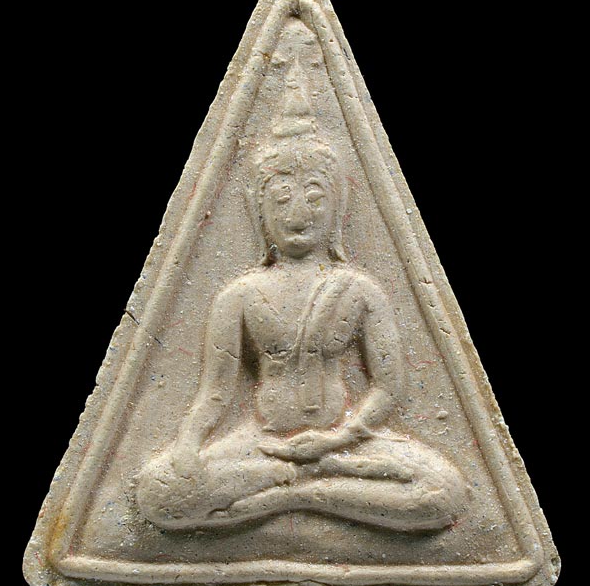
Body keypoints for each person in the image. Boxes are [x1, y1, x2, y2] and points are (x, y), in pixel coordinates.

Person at [137, 27, 468, 533]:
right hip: (262, 444)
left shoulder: (358, 290)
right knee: (159, 493)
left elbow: (388, 386)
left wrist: (338, 439)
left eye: (314, 197)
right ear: (259, 211)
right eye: (281, 198)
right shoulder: (240, 295)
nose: (298, 213)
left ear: (336, 208)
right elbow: (215, 394)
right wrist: (187, 445)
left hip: (343, 447)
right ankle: (305, 489)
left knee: (444, 491)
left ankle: (298, 494)